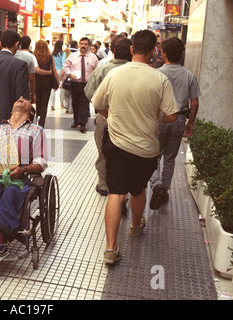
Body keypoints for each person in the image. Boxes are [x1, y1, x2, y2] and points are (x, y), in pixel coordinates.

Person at [91, 29, 179, 265]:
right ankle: (135, 226)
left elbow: (98, 105)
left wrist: (113, 117)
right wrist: (155, 115)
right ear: (154, 51)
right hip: (145, 148)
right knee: (138, 190)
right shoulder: (159, 79)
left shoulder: (115, 74)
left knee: (116, 193)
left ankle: (110, 248)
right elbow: (172, 116)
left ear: (131, 49)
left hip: (116, 144)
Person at [0, 97, 47, 266]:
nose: (20, 99)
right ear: (11, 110)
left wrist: (24, 169)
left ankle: (0, 240)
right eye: (18, 99)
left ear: (31, 112)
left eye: (25, 99)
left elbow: (41, 162)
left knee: (11, 191)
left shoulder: (36, 130)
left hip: (21, 176)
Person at [149, 37, 201, 210]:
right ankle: (165, 189)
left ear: (163, 54)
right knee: (170, 158)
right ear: (181, 55)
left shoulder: (156, 74)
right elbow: (194, 102)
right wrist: (190, 123)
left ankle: (156, 185)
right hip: (179, 118)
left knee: (154, 155)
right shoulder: (188, 75)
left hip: (160, 118)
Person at [85, 37, 133, 197]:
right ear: (131, 51)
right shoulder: (136, 71)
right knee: (126, 153)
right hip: (130, 119)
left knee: (103, 151)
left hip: (104, 117)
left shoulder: (102, 70)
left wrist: (102, 107)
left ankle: (103, 185)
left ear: (113, 50)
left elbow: (89, 92)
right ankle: (122, 189)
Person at [63, 37, 99, 133]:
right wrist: (70, 74)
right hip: (75, 83)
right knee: (75, 103)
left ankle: (83, 123)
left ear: (89, 46)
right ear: (79, 45)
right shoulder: (72, 56)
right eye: (81, 44)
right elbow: (65, 66)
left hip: (87, 85)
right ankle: (76, 120)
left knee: (84, 103)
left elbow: (97, 70)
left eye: (85, 44)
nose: (83, 46)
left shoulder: (93, 57)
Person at [33, 40, 58, 128]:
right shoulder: (50, 57)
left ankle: (37, 118)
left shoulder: (34, 56)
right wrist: (57, 82)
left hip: (37, 81)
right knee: (44, 103)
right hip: (47, 82)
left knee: (38, 102)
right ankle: (41, 123)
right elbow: (54, 70)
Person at [15, 35, 37, 103]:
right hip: (24, 89)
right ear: (29, 44)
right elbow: (32, 77)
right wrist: (33, 94)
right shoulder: (30, 57)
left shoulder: (13, 54)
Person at [48, 40, 66, 111]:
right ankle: (62, 102)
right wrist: (62, 73)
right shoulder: (63, 53)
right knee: (62, 87)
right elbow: (63, 63)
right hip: (61, 70)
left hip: (54, 71)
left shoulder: (52, 53)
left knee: (53, 87)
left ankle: (52, 105)